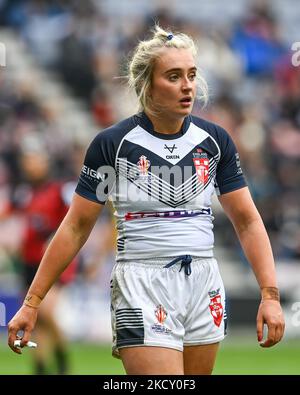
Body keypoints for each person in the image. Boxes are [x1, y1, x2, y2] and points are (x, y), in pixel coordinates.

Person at [8, 25, 285, 375]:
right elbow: (76, 227)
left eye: (191, 75)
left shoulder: (215, 141)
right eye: (173, 76)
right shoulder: (112, 144)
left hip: (203, 280)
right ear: (146, 84)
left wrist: (270, 295)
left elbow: (247, 220)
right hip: (141, 280)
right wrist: (32, 303)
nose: (187, 86)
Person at [6, 142, 77, 374]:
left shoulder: (59, 190)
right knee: (37, 320)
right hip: (28, 262)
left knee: (45, 311)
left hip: (52, 261)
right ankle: (40, 366)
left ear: (45, 163)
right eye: (27, 162)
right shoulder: (23, 192)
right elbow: (10, 215)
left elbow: (75, 218)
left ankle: (62, 356)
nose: (30, 166)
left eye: (35, 160)